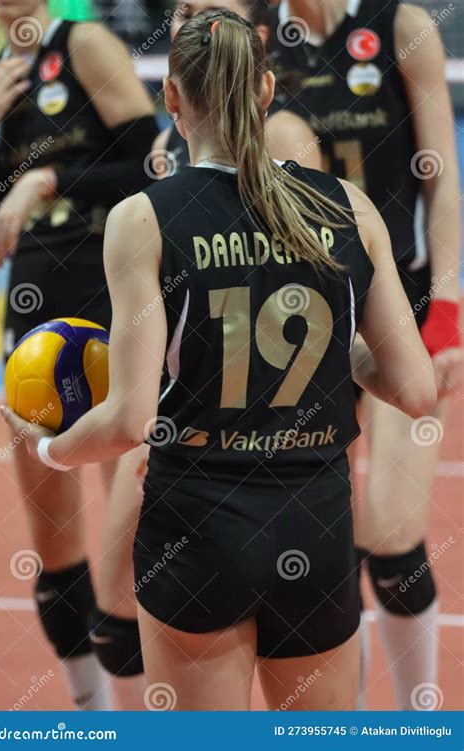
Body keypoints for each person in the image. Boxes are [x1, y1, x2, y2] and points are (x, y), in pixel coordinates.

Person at [1, 9, 437, 711]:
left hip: (199, 529)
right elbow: (416, 389)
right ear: (265, 90)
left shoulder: (143, 217)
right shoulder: (347, 206)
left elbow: (127, 422)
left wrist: (48, 450)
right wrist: (336, 344)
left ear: (171, 99)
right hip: (314, 523)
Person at [264, 0, 462, 708]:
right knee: (321, 541)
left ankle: (422, 715)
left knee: (394, 530)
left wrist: (447, 309)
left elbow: (441, 179)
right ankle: (332, 717)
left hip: (399, 302)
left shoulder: (401, 25)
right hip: (301, 317)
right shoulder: (256, 31)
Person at [0, 0, 158, 709]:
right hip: (30, 328)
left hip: (109, 308)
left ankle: (145, 714)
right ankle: (91, 713)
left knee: (131, 547)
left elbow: (152, 165)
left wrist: (49, 179)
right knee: (54, 545)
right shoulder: (3, 77)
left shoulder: (84, 43)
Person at [150, 0, 322, 176]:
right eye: (185, 15)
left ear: (258, 36)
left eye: (216, 16)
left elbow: (306, 202)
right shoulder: (164, 144)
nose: (195, 26)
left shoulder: (285, 133)